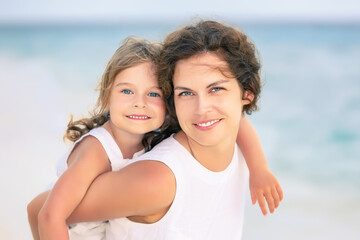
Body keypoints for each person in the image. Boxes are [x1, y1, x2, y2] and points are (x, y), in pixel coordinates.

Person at [28, 21, 283, 239]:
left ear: (246, 93)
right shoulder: (156, 179)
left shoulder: (231, 136)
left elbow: (240, 123)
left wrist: (259, 170)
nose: (203, 108)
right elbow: (40, 210)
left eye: (216, 89)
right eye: (186, 93)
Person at [27, 37, 171, 240]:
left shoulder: (155, 142)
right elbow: (49, 216)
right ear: (106, 97)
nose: (140, 102)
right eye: (127, 91)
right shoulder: (96, 150)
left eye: (154, 94)